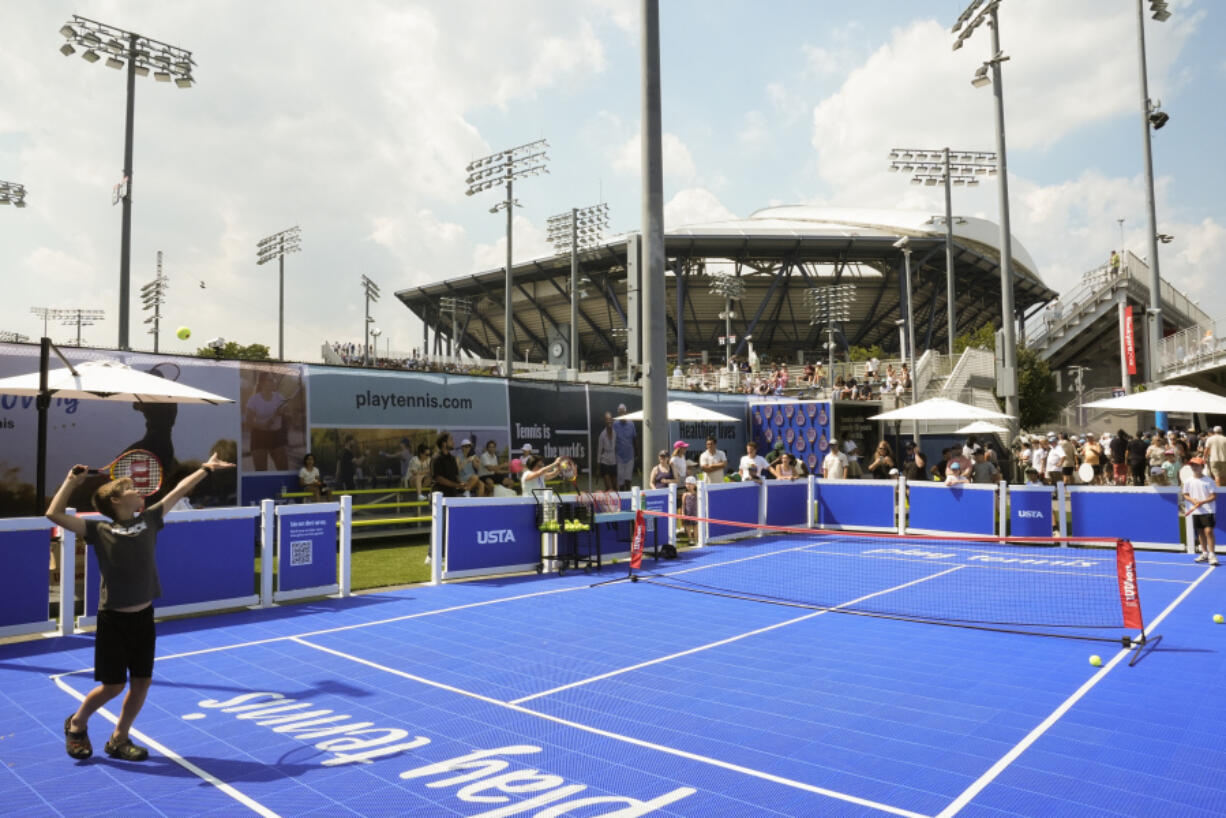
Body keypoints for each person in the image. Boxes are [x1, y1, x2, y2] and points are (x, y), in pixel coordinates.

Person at [48, 451, 236, 761]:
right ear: (117, 501)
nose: (140, 490)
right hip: (113, 620)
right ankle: (77, 723)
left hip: (143, 617)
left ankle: (119, 738)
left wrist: (206, 468)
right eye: (132, 488)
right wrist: (71, 482)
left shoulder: (150, 520)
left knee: (141, 682)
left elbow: (178, 491)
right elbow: (54, 515)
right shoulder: (99, 530)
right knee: (112, 686)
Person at [244, 373, 290, 471]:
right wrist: (262, 425)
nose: (272, 382)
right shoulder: (253, 400)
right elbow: (248, 421)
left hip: (276, 436)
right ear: (261, 383)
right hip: (258, 436)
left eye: (273, 380)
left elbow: (286, 412)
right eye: (269, 380)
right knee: (261, 472)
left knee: (284, 470)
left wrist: (283, 412)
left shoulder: (279, 397)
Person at [1182, 457, 1218, 566]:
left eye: (1196, 465)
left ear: (1202, 467)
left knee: (1208, 531)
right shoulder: (1188, 481)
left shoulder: (1209, 481)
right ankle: (1204, 553)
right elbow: (1185, 495)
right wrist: (1193, 500)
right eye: (1192, 465)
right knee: (1200, 532)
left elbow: (1213, 496)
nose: (1194, 467)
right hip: (1196, 511)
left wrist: (1202, 502)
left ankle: (1212, 555)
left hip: (1208, 510)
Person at [430, 433, 464, 497]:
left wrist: (461, 484)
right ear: (444, 443)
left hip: (452, 495)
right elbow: (439, 479)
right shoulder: (436, 458)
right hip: (439, 497)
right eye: (451, 440)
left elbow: (455, 475)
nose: (453, 442)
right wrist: (456, 485)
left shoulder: (452, 458)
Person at [612, 404, 637, 491]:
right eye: (620, 411)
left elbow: (634, 439)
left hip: (630, 456)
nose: (622, 413)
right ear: (618, 413)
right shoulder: (615, 424)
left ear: (626, 412)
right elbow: (613, 440)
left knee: (628, 480)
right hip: (619, 456)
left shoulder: (631, 424)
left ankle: (630, 499)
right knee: (621, 482)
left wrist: (637, 453)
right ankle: (623, 499)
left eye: (623, 411)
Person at [595, 412, 618, 491]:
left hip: (614, 462)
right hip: (605, 462)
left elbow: (616, 448)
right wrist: (598, 468)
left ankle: (607, 501)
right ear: (605, 421)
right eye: (607, 419)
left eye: (610, 419)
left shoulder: (615, 433)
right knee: (610, 488)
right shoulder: (602, 435)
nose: (609, 421)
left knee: (615, 488)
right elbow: (599, 451)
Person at [681, 476, 698, 542]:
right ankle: (690, 539)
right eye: (687, 484)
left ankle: (696, 539)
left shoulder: (697, 494)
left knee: (695, 526)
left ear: (694, 485)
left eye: (690, 484)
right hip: (687, 513)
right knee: (688, 526)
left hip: (695, 513)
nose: (688, 486)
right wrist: (683, 513)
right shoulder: (685, 494)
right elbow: (683, 504)